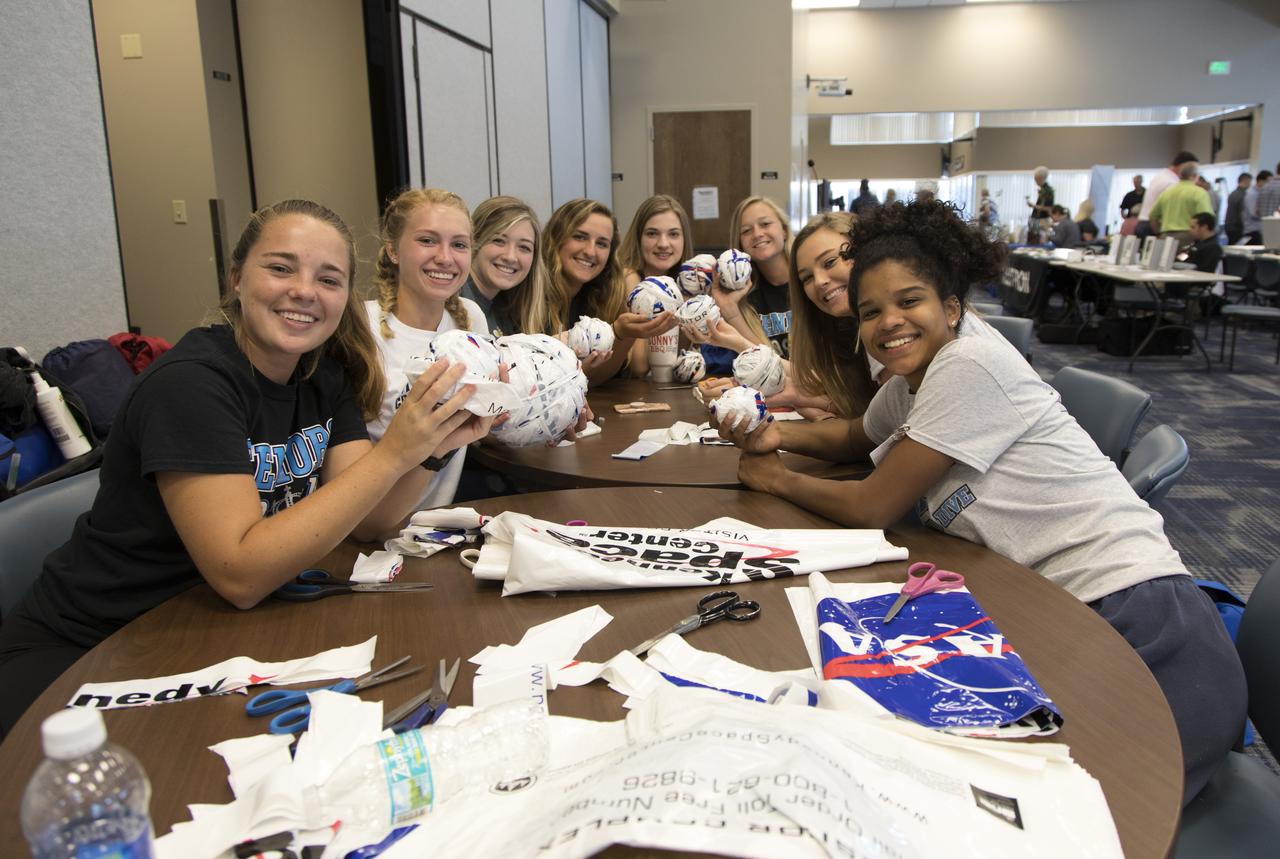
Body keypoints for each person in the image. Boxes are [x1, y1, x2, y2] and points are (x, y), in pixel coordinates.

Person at [713, 198, 1246, 806]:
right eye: (871, 312)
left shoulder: (967, 363)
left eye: (908, 301)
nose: (889, 321)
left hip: (1147, 630)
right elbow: (857, 433)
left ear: (952, 308)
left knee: (1053, 812)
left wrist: (774, 478)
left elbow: (871, 506)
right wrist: (775, 435)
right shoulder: (914, 377)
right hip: (1061, 615)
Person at [0, 199, 493, 734]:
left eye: (328, 279)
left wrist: (435, 443)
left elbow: (372, 521)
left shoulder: (322, 374)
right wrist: (396, 451)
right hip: (95, 644)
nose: (304, 290)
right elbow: (240, 573)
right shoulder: (191, 384)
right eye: (281, 268)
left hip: (210, 631)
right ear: (236, 277)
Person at [366, 188, 493, 511]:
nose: (445, 257)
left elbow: (476, 421)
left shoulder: (470, 319)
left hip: (436, 525)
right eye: (427, 240)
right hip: (367, 522)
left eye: (459, 245)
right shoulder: (362, 326)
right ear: (393, 250)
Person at [542, 197, 673, 385]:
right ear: (556, 238)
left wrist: (624, 334)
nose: (590, 251)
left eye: (602, 243)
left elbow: (596, 378)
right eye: (580, 237)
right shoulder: (530, 296)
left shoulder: (598, 296)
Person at [460, 196, 554, 338]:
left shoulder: (508, 311)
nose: (510, 257)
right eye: (499, 241)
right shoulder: (453, 301)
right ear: (474, 241)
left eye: (524, 247)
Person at [713, 196, 794, 358]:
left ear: (784, 230)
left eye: (765, 224)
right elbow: (763, 364)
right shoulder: (743, 295)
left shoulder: (810, 279)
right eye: (746, 231)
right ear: (740, 243)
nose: (757, 234)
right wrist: (730, 310)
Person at [1147, 162, 1213, 247]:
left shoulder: (1167, 192)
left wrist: (1159, 233)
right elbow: (1207, 218)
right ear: (1195, 176)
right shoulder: (1200, 193)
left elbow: (1152, 216)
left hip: (1166, 237)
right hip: (1188, 238)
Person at [1137, 151, 1198, 239]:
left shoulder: (1161, 176)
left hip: (1144, 223)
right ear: (1183, 166)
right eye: (1192, 170)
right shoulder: (1172, 183)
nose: (1192, 174)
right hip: (1153, 226)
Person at [1026, 166, 1054, 242]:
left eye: (1036, 178)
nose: (1035, 181)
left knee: (1040, 242)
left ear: (1041, 178)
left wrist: (1033, 206)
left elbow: (1048, 208)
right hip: (1038, 220)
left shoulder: (1048, 190)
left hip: (1043, 221)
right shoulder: (1043, 190)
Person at [1242, 170, 1270, 245]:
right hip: (1252, 232)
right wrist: (1268, 216)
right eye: (1268, 182)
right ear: (1260, 181)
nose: (1269, 185)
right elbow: (1253, 214)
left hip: (1258, 230)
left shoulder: (1261, 193)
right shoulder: (1252, 194)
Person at [1224, 173, 1252, 245]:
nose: (1250, 184)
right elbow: (1242, 214)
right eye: (1250, 182)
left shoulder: (1232, 194)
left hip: (1229, 225)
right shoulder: (1243, 195)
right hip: (1237, 227)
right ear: (1246, 181)